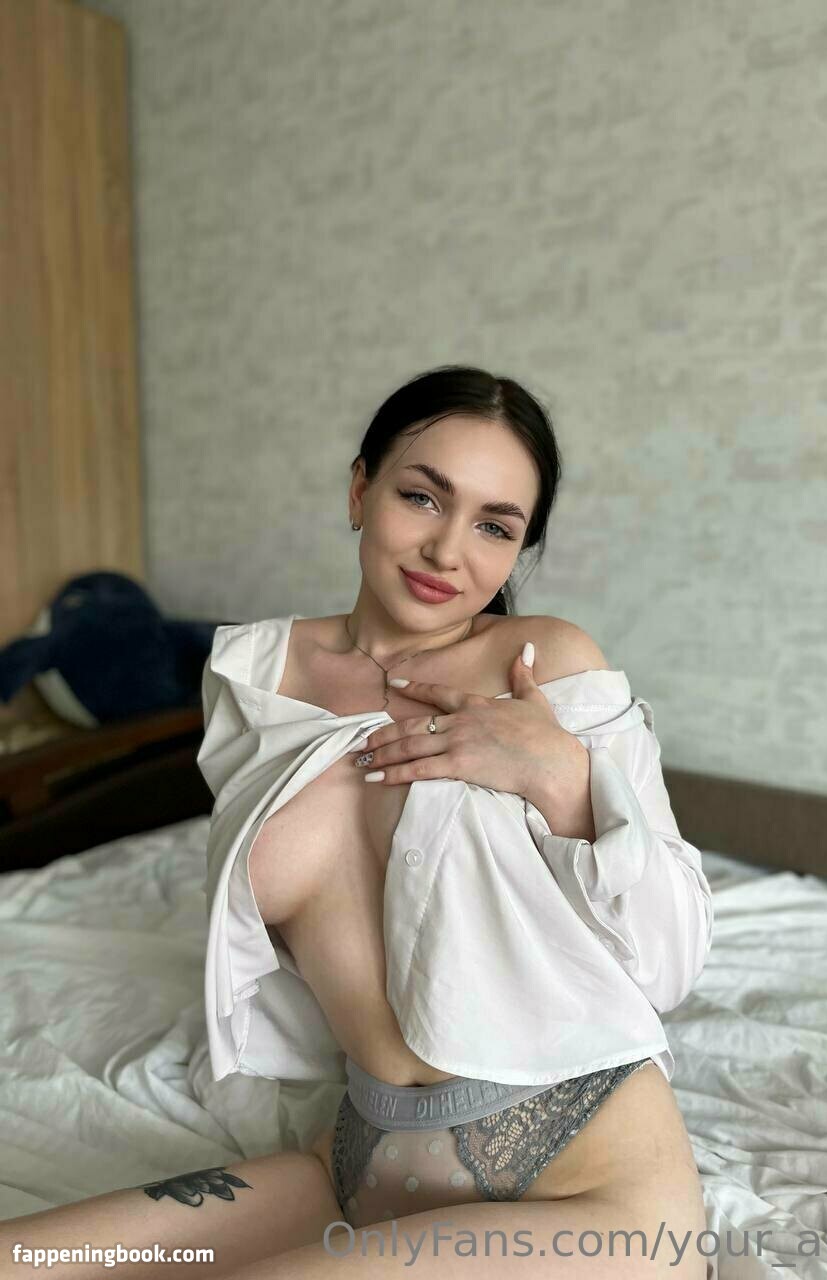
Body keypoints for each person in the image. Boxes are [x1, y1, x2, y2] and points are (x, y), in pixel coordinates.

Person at [1, 365, 712, 1279]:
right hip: (362, 1155)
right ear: (359, 490)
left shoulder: (549, 667)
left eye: (495, 526)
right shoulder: (254, 675)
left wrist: (563, 780)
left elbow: (673, 962)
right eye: (423, 497)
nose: (448, 550)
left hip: (590, 1181)